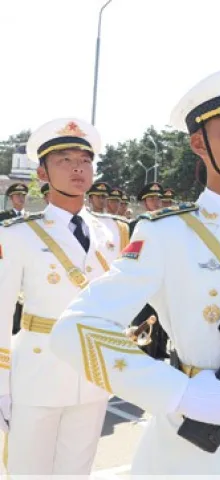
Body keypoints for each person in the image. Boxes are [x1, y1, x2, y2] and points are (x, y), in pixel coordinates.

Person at [49, 67, 220, 475]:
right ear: (199, 144)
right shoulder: (168, 233)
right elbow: (74, 327)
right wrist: (176, 391)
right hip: (193, 447)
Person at [0, 118, 122, 475]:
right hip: (37, 372)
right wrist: (1, 386)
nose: (77, 169)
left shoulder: (112, 231)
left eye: (84, 160)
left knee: (76, 471)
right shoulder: (17, 235)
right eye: (64, 161)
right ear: (42, 172)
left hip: (93, 372)